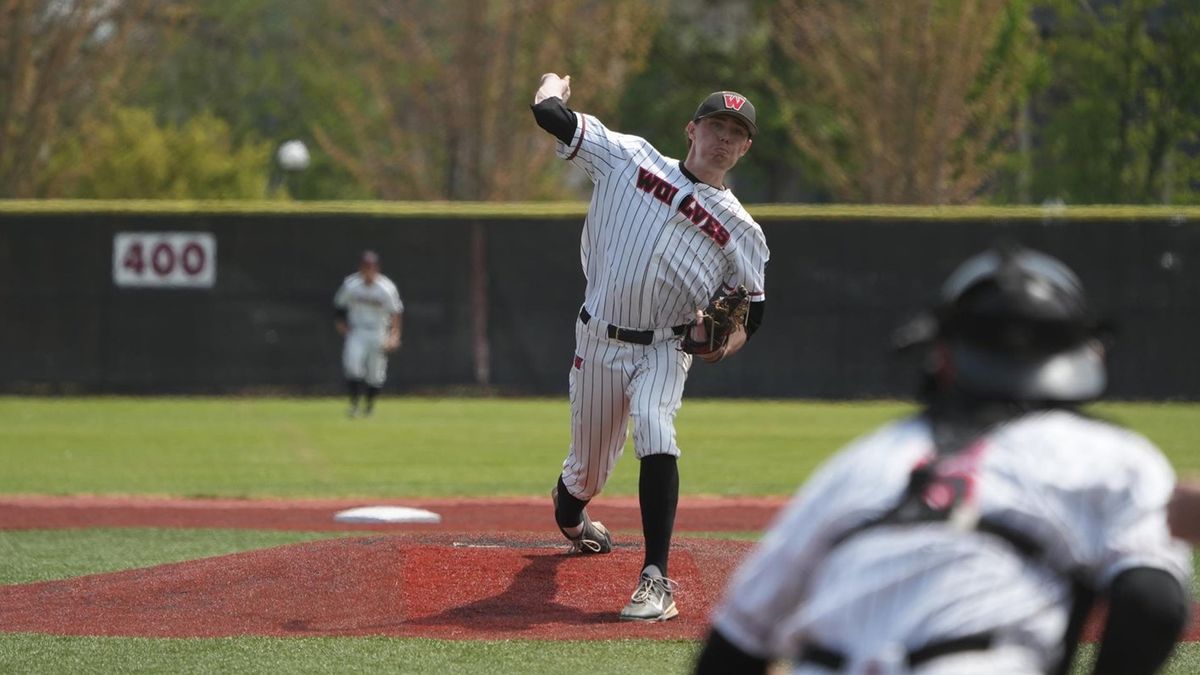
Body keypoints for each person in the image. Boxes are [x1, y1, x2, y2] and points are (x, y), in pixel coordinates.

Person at [695, 245, 1191, 674]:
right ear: (1084, 354)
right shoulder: (1111, 454)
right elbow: (1152, 602)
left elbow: (735, 643)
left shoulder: (865, 460)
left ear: (942, 355)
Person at [530, 73, 770, 622]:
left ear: (745, 148)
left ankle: (655, 578)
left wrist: (720, 348)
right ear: (692, 130)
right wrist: (552, 87)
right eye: (716, 125)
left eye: (736, 132)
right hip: (599, 337)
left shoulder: (743, 230)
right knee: (586, 474)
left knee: (656, 430)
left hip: (666, 346)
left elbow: (752, 314)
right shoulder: (629, 158)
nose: (724, 138)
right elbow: (549, 115)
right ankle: (571, 513)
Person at [333, 250, 403, 417]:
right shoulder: (351, 285)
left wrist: (394, 335)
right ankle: (354, 405)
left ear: (377, 268)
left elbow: (396, 312)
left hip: (378, 331)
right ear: (360, 267)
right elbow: (339, 305)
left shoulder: (386, 288)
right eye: (365, 266)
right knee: (352, 364)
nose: (368, 270)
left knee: (375, 373)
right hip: (357, 330)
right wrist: (340, 324)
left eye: (371, 266)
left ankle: (369, 407)